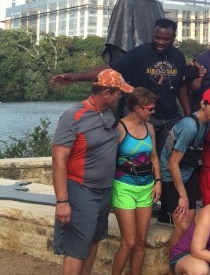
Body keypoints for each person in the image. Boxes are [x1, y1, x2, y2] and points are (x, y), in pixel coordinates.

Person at [51, 18, 199, 170]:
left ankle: (162, 191)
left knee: (167, 163)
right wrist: (76, 77)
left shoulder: (178, 56)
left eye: (166, 39)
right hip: (143, 116)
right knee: (140, 162)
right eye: (157, 37)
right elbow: (109, 69)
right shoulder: (139, 54)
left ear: (173, 38)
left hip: (169, 118)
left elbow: (181, 88)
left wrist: (188, 117)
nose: (160, 42)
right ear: (152, 34)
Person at [52, 69, 134, 275]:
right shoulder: (73, 116)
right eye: (119, 93)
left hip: (103, 189)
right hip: (80, 188)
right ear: (107, 92)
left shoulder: (107, 113)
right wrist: (62, 201)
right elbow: (58, 160)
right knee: (77, 245)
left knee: (94, 241)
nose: (121, 97)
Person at [161, 88, 210, 275]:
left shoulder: (208, 123)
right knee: (181, 226)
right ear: (203, 105)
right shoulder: (190, 126)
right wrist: (182, 195)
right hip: (171, 177)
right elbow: (172, 163)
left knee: (190, 225)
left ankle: (186, 267)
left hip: (187, 175)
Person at [104, 87, 162, 275]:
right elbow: (108, 158)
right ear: (137, 108)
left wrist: (158, 182)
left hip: (146, 186)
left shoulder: (149, 127)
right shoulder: (119, 128)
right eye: (149, 109)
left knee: (140, 240)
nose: (152, 112)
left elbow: (154, 156)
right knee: (128, 241)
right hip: (124, 186)